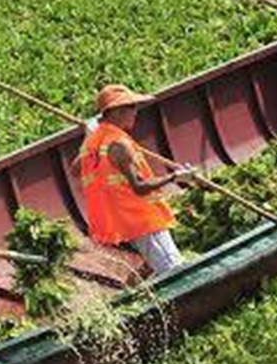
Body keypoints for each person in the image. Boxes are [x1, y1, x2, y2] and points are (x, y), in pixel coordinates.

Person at [73, 84, 193, 275]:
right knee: (174, 270)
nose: (136, 112)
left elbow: (75, 170)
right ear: (116, 111)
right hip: (142, 219)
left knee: (164, 264)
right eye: (132, 107)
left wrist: (88, 137)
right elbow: (139, 187)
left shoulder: (92, 143)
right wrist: (174, 177)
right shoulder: (119, 144)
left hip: (122, 221)